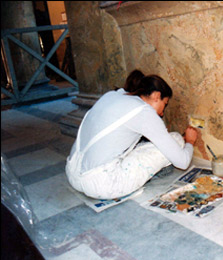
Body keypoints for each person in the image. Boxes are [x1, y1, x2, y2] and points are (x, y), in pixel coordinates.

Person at [65, 70, 198, 199]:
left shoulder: (112, 95)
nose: (162, 113)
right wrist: (190, 142)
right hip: (101, 185)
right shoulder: (144, 111)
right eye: (165, 104)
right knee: (176, 139)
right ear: (157, 96)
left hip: (72, 172)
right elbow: (182, 162)